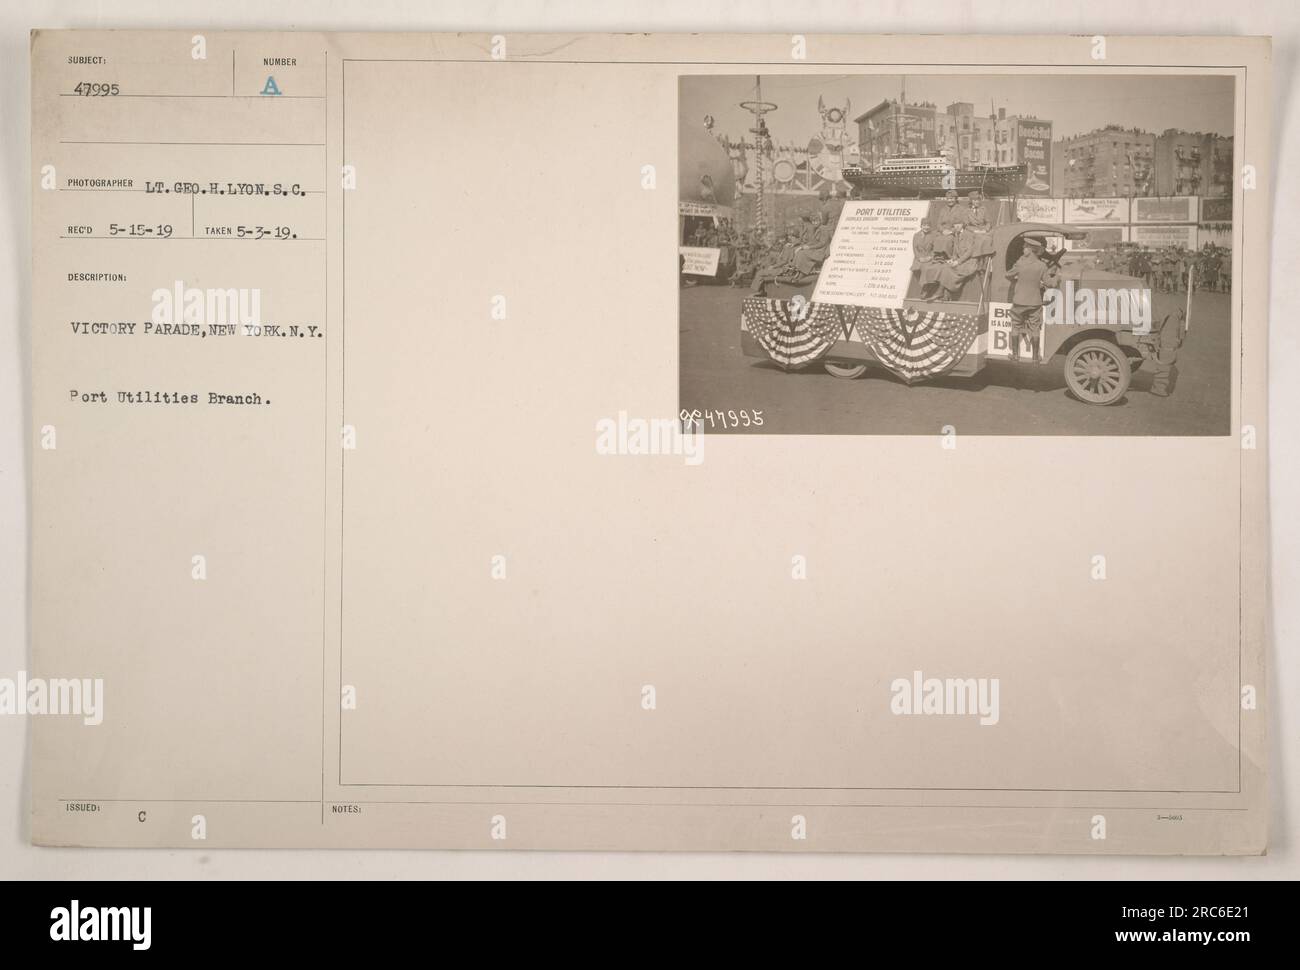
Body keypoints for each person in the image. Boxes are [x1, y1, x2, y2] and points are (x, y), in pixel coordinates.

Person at [1004, 235, 1060, 371]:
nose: (1023, 249)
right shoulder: (1041, 266)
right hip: (1035, 302)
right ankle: (1035, 358)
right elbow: (1050, 284)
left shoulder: (1020, 263)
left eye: (1025, 247)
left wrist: (1016, 278)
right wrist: (1057, 277)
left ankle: (1015, 356)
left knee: (1015, 326)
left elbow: (1008, 275)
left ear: (1030, 250)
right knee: (1035, 328)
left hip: (1019, 301)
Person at [939, 221, 980, 300]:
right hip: (961, 260)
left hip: (969, 262)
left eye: (959, 224)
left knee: (954, 271)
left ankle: (943, 293)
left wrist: (958, 262)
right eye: (955, 224)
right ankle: (944, 293)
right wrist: (952, 259)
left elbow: (969, 252)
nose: (957, 226)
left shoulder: (968, 234)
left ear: (963, 225)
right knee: (945, 267)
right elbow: (955, 252)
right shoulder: (956, 235)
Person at [792, 211, 833, 275]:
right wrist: (802, 247)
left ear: (820, 221)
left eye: (816, 221)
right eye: (813, 221)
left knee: (803, 253)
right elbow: (813, 241)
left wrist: (809, 247)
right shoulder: (816, 229)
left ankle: (803, 272)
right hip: (818, 249)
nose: (815, 223)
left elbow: (823, 243)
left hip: (822, 251)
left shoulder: (824, 228)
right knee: (801, 252)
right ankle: (798, 270)